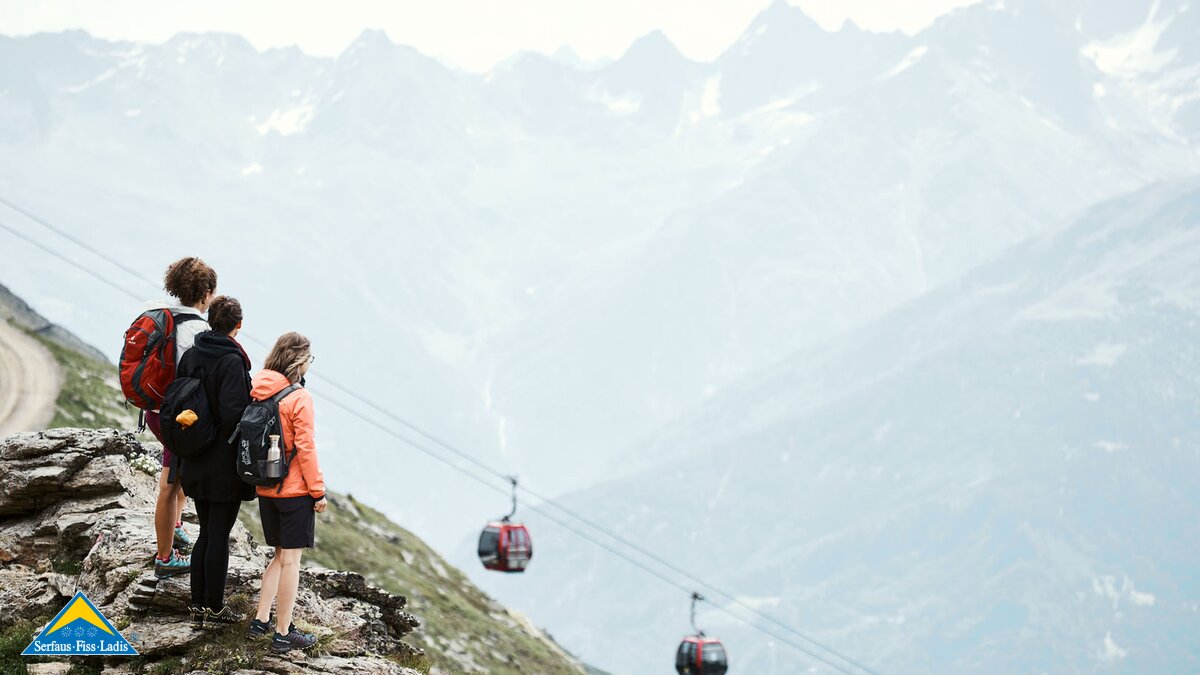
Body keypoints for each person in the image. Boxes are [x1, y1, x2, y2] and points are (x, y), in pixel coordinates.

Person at [175, 296, 255, 627]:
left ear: (210, 320)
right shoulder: (232, 361)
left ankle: (198, 606)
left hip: (193, 455)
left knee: (206, 532)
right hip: (222, 461)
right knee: (218, 534)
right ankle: (215, 608)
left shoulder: (192, 354)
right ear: (238, 325)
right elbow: (233, 413)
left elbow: (178, 396)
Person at [246, 332, 327, 652]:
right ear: (299, 360)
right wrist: (317, 491)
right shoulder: (298, 398)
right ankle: (282, 633)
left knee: (279, 556)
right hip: (294, 491)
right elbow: (306, 448)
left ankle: (260, 620)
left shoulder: (260, 389)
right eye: (309, 359)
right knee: (292, 561)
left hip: (267, 488)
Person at [147, 257, 216, 578]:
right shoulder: (198, 329)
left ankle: (174, 527)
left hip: (155, 409)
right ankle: (165, 558)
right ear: (205, 292)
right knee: (170, 484)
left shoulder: (161, 314)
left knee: (181, 472)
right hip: (178, 417)